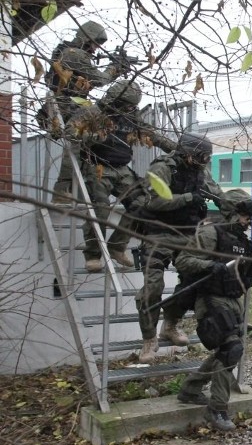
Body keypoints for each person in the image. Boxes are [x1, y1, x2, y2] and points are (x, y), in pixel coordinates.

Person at [174, 189, 252, 431]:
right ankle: (217, 410)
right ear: (232, 212)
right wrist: (212, 266)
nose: (248, 221)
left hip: (233, 300)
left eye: (250, 217)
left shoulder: (242, 239)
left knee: (227, 350)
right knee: (230, 349)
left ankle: (190, 389)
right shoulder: (210, 233)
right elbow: (183, 261)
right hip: (210, 299)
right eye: (245, 216)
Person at [67, 79, 175, 274]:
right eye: (126, 104)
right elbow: (70, 131)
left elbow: (152, 136)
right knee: (100, 210)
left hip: (122, 168)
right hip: (96, 165)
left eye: (132, 105)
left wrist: (178, 150)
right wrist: (94, 137)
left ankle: (117, 246)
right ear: (116, 99)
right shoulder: (94, 112)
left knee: (142, 202)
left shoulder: (131, 116)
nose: (129, 108)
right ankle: (93, 254)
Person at [134, 132, 224, 364]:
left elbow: (218, 194)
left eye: (207, 157)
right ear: (187, 152)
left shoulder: (199, 170)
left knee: (192, 283)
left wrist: (241, 205)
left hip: (187, 234)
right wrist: (186, 198)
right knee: (152, 287)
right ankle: (148, 338)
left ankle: (171, 324)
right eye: (201, 156)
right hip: (159, 234)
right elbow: (152, 201)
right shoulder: (163, 168)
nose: (205, 161)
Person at [39, 21, 126, 204]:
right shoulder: (74, 54)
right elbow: (100, 79)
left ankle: (84, 188)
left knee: (96, 139)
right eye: (94, 43)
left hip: (71, 106)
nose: (95, 48)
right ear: (86, 38)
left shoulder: (71, 53)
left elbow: (88, 83)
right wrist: (115, 68)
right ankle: (62, 191)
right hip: (63, 108)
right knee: (77, 140)